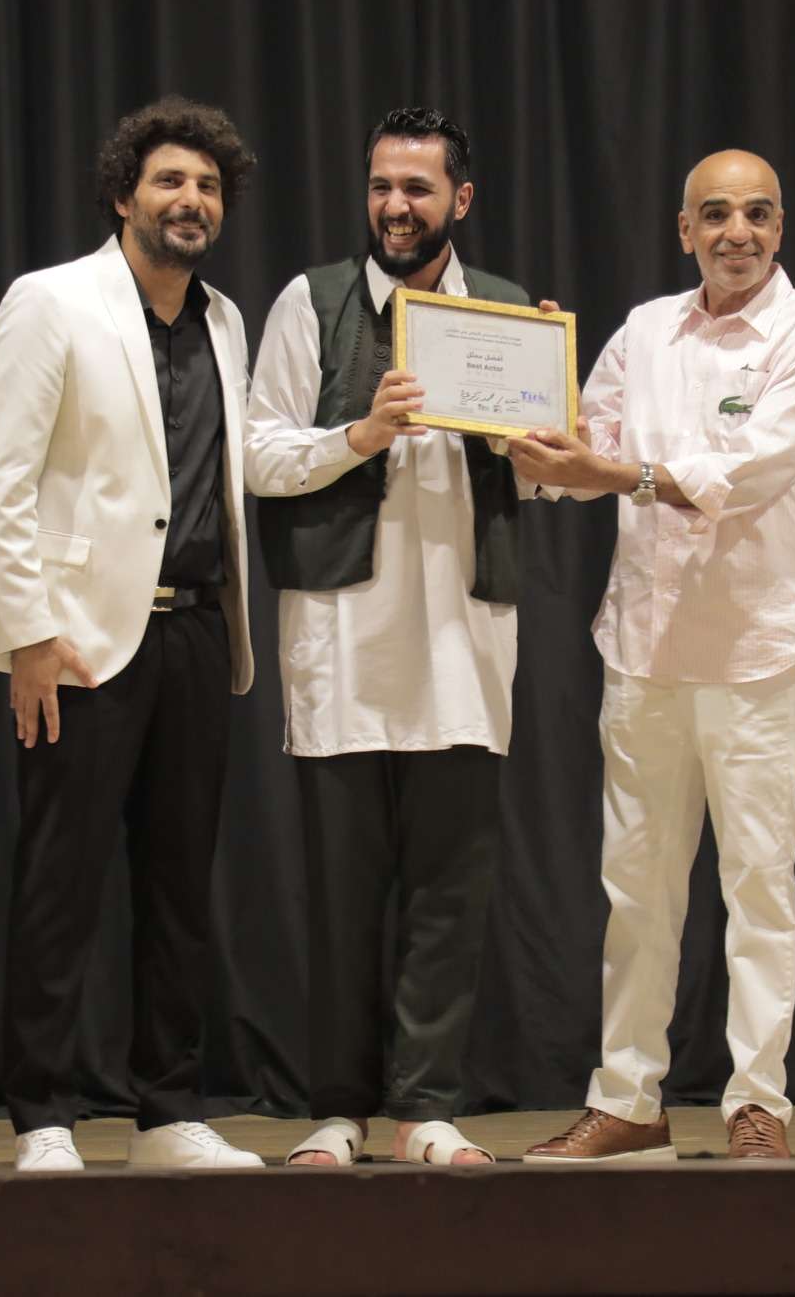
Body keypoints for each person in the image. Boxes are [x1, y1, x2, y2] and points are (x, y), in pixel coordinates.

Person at [510, 150, 795, 1163]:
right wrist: (523, 408)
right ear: (684, 229)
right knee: (636, 892)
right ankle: (628, 1100)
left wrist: (614, 471)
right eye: (717, 214)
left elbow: (750, 471)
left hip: (757, 648)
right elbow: (585, 451)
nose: (737, 232)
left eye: (757, 213)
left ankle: (757, 1104)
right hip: (644, 649)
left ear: (779, 228)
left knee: (758, 887)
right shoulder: (644, 329)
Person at [0, 97, 261, 1171]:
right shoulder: (51, 301)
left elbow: (234, 470)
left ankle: (167, 1112)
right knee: (61, 879)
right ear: (124, 194)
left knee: (179, 888)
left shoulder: (225, 320)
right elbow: (1, 478)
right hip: (80, 638)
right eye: (171, 181)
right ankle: (42, 1114)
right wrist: (28, 633)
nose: (191, 200)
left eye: (208, 186)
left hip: (198, 630)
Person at [247, 106, 549, 1169]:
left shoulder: (507, 314)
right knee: (341, 898)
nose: (395, 206)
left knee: (448, 894)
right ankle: (337, 1110)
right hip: (341, 641)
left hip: (463, 640)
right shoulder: (312, 301)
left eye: (417, 188)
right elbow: (258, 455)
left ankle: (427, 1107)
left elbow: (546, 484)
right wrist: (359, 435)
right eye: (381, 185)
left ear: (459, 199)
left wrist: (543, 446)